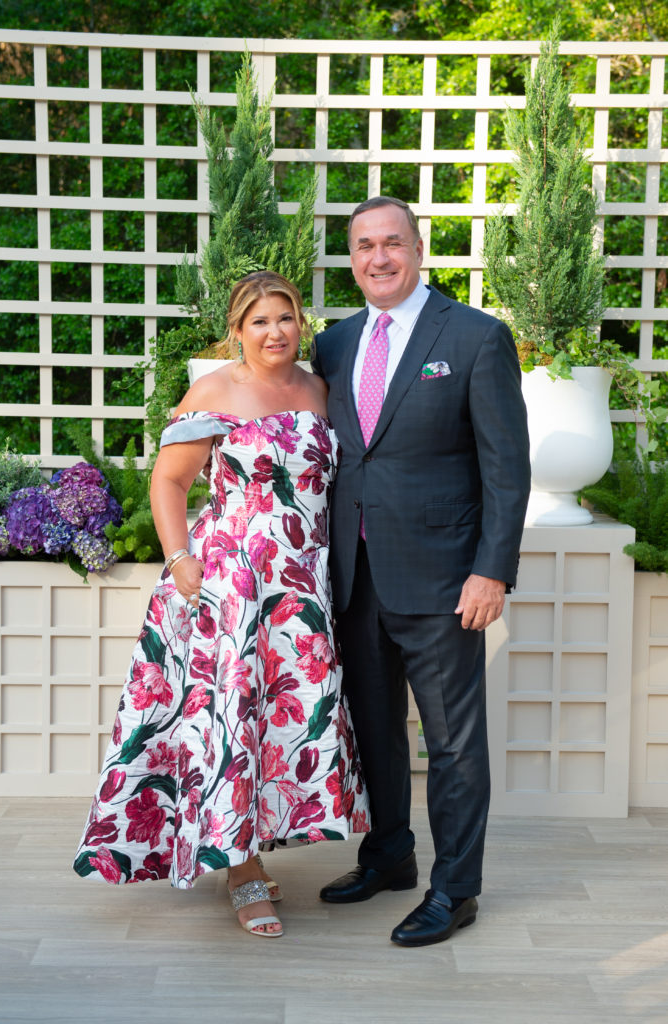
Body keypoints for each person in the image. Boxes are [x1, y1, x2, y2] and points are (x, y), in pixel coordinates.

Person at [73, 271, 369, 939]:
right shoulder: (214, 390)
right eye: (260, 321)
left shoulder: (319, 391)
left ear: (302, 324)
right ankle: (241, 871)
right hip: (231, 585)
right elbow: (169, 481)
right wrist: (181, 561)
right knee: (231, 720)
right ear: (237, 330)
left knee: (279, 722)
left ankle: (252, 846)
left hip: (301, 589)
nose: (275, 332)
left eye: (286, 318)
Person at [311, 197, 530, 947]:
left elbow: (508, 468)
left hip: (444, 579)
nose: (379, 257)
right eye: (365, 245)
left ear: (418, 248)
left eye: (392, 243)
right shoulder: (333, 344)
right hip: (353, 574)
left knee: (453, 744)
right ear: (352, 258)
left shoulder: (475, 337)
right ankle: (389, 857)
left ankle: (456, 890)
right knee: (373, 730)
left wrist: (492, 570)